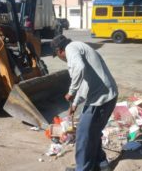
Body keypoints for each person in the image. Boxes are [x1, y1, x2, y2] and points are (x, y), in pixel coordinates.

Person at [50, 35, 118, 171]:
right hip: (105, 96)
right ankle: (101, 163)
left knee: (83, 134)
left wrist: (71, 91)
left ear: (59, 51)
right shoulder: (80, 47)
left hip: (101, 99)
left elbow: (79, 68)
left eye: (57, 55)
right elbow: (85, 83)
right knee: (93, 131)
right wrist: (75, 103)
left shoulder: (71, 48)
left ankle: (83, 169)